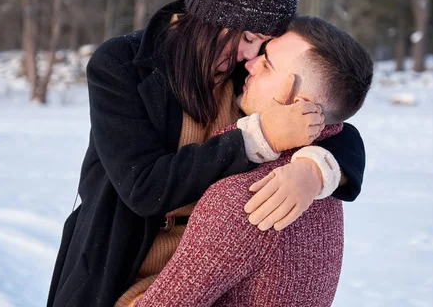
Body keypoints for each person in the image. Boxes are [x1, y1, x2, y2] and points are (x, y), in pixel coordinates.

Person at [47, 0, 366, 307]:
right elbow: (143, 188)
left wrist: (314, 170)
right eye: (247, 37)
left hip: (211, 277)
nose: (251, 55)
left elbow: (334, 118)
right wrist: (257, 138)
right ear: (214, 15)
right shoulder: (121, 66)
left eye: (263, 44)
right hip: (118, 262)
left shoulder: (246, 74)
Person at [134, 16, 373, 307]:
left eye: (267, 64)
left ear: (302, 106)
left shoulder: (248, 199)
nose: (249, 64)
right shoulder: (320, 186)